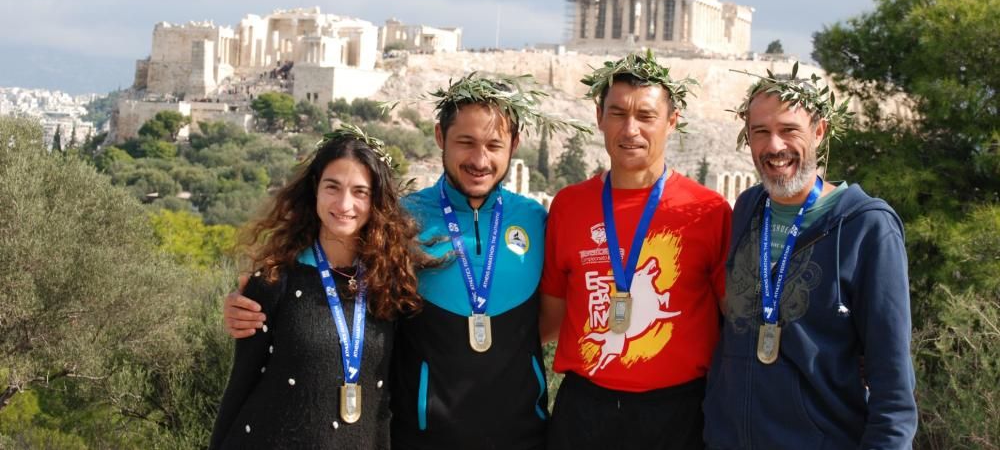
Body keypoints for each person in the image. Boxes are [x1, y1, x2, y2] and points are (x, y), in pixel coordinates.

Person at [224, 74, 584, 450]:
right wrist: (256, 298)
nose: (480, 159)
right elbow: (331, 268)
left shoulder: (536, 219)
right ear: (440, 137)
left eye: (494, 144)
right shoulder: (401, 219)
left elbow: (552, 316)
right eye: (465, 142)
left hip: (523, 436)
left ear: (514, 145)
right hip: (422, 437)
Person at [702, 69, 918, 449]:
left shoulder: (867, 227)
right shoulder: (747, 209)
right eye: (760, 132)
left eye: (789, 130)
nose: (774, 146)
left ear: (819, 131)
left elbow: (893, 386)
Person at [540, 50, 733, 450]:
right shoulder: (568, 206)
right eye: (617, 114)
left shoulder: (708, 211)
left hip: (677, 415)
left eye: (645, 116)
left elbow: (734, 319)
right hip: (585, 411)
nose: (630, 130)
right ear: (599, 117)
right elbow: (550, 319)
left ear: (671, 122)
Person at [210, 124, 424, 449]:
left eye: (360, 192)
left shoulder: (391, 284)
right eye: (332, 187)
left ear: (376, 199)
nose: (344, 203)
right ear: (315, 189)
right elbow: (241, 384)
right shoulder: (273, 281)